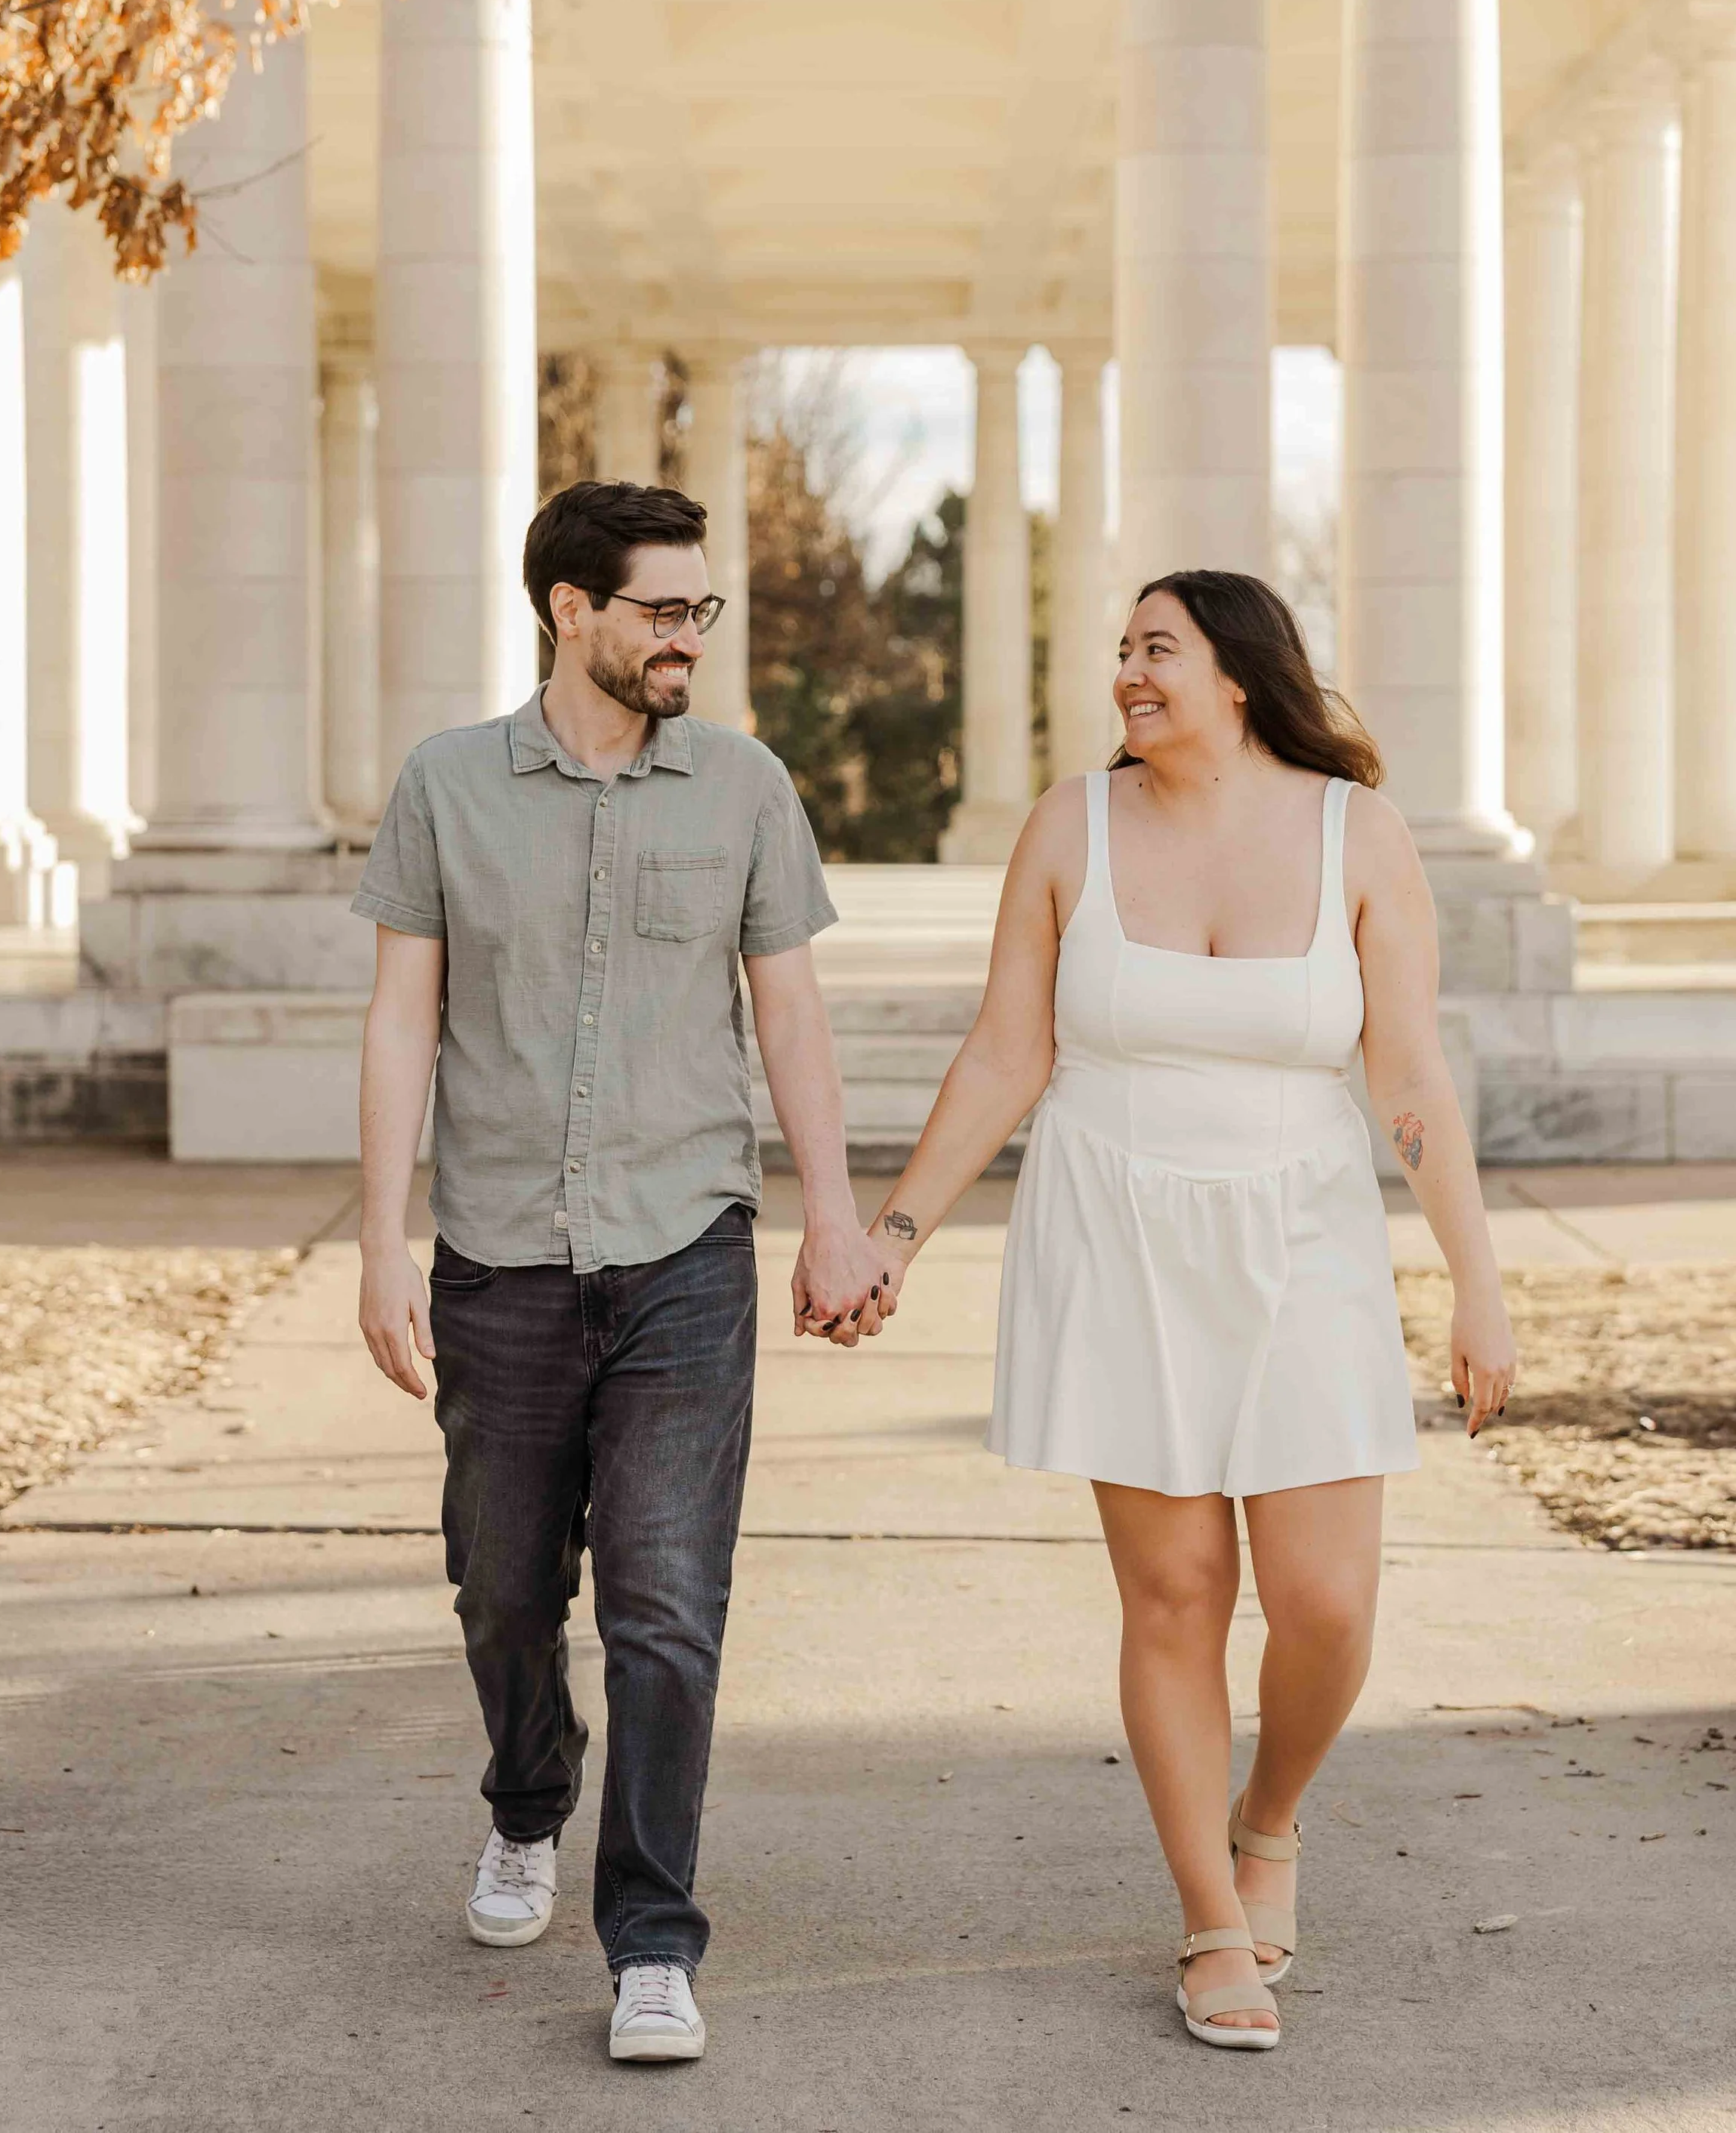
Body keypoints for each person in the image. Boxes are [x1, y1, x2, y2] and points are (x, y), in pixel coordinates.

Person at [853, 570, 1517, 2051]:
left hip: (1305, 1238)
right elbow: (1002, 1055)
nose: (1128, 675)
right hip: (1113, 1236)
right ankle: (1212, 1919)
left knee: (1327, 1604)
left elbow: (1408, 1076)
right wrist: (893, 1236)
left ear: (1238, 674)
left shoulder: (1357, 833)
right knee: (1173, 1596)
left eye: (1157, 649)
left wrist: (1476, 1284)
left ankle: (1267, 1815)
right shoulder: (1067, 828)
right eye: (1121, 651)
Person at [353, 479, 885, 2066]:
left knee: (665, 1606)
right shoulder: (446, 785)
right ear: (568, 608)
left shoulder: (745, 786)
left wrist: (835, 1217)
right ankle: (529, 1799)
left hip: (683, 1252)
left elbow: (789, 1013)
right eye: (661, 609)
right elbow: (400, 1018)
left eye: (698, 610)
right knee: (504, 1591)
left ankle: (651, 1938)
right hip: (500, 1257)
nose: (687, 639)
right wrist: (380, 1239)